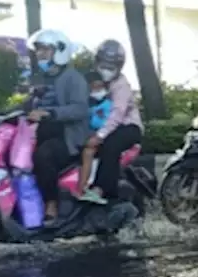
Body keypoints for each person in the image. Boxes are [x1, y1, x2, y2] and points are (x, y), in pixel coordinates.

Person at [27, 29, 90, 222]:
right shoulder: (43, 79)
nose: (40, 54)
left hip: (67, 137)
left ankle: (51, 204)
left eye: (45, 50)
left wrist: (51, 113)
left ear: (60, 51)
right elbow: (29, 105)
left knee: (43, 155)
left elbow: (80, 109)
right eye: (38, 50)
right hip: (44, 133)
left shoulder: (73, 78)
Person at [78, 40, 143, 205]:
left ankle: (100, 189)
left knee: (110, 145)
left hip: (127, 127)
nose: (106, 71)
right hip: (102, 127)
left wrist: (99, 136)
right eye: (103, 65)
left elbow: (117, 114)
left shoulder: (121, 86)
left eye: (110, 67)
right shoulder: (92, 81)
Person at [74, 71, 112, 198]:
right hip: (85, 135)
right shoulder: (84, 103)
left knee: (88, 153)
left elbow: (106, 124)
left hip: (102, 137)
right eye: (94, 87)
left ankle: (82, 188)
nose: (97, 90)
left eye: (100, 87)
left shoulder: (108, 104)